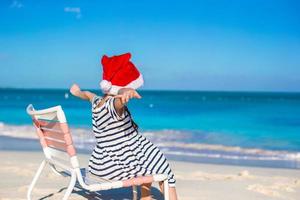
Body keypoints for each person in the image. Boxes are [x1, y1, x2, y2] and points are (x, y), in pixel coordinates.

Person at [70, 53, 178, 200]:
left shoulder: (98, 103)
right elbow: (118, 102)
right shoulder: (113, 106)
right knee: (162, 167)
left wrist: (77, 92)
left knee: (150, 156)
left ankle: (146, 196)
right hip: (118, 162)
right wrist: (125, 93)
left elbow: (88, 95)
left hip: (103, 161)